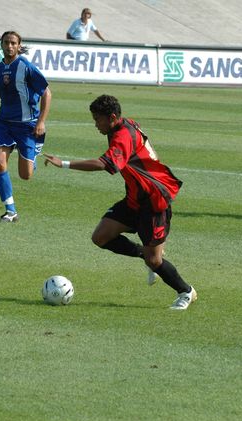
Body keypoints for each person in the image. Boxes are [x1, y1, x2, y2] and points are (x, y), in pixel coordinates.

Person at [43, 95, 197, 311]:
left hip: (154, 200)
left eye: (98, 119)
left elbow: (103, 164)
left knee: (155, 262)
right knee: (101, 237)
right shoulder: (124, 126)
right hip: (135, 198)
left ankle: (186, 291)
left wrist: (64, 163)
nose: (95, 124)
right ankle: (144, 251)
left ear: (113, 117)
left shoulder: (122, 136)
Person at [0, 31, 52, 223]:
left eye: (13, 43)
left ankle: (31, 154)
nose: (9, 46)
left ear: (19, 46)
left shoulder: (26, 67)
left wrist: (41, 121)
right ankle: (10, 211)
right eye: (6, 42)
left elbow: (47, 93)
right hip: (4, 124)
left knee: (25, 175)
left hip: (28, 126)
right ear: (1, 45)